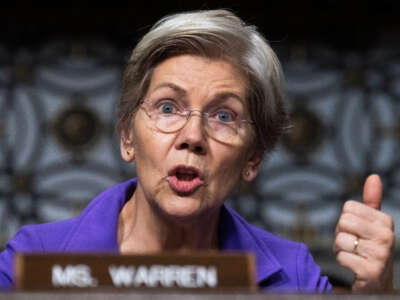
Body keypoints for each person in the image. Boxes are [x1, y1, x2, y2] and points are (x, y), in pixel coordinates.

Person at [0, 9, 395, 292]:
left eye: (224, 115)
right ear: (127, 137)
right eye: (168, 107)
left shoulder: (294, 276)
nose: (193, 136)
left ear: (252, 158)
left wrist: (375, 291)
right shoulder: (33, 261)